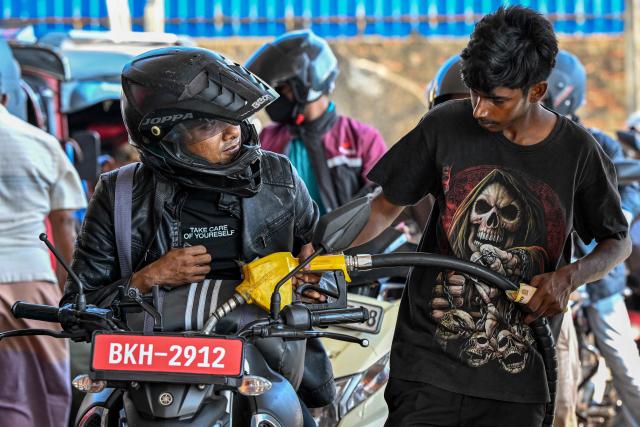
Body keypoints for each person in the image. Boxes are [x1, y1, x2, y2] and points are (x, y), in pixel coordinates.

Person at [350, 6, 632, 426]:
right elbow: (382, 209)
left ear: (537, 92)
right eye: (475, 93)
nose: (479, 110)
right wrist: (319, 253)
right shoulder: (445, 125)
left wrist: (568, 277)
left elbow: (617, 241)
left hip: (520, 380)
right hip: (429, 368)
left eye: (496, 100)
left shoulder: (578, 153)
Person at [61, 46, 325, 425]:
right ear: (164, 137)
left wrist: (315, 281)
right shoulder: (118, 194)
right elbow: (76, 308)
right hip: (144, 376)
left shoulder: (279, 178)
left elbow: (322, 258)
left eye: (231, 117)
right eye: (207, 125)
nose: (232, 131)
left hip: (265, 364)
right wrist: (149, 277)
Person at [544, 50, 640, 427]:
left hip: (600, 280)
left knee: (626, 368)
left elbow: (629, 189)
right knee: (553, 384)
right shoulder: (528, 143)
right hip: (551, 279)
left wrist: (617, 219)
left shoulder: (601, 144)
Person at [0, 43, 87, 426]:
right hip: (28, 286)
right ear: (8, 94)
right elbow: (65, 226)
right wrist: (68, 294)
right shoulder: (40, 143)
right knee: (34, 393)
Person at [245, 29, 387, 214]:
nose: (275, 99)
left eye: (281, 88)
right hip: (284, 243)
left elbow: (385, 205)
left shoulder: (363, 139)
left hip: (346, 243)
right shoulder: (267, 137)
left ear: (309, 83)